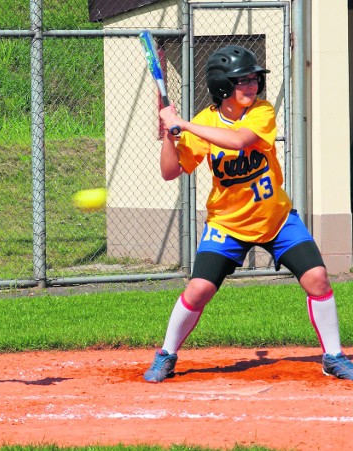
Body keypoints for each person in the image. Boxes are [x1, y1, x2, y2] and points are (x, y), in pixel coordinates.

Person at [143, 45, 353, 383]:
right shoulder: (204, 123)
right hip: (227, 224)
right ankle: (166, 354)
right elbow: (171, 172)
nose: (252, 85)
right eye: (242, 80)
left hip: (276, 219)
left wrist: (184, 123)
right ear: (223, 86)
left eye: (254, 79)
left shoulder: (261, 112)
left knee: (317, 278)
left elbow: (240, 141)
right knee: (198, 290)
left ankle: (333, 356)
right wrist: (170, 134)